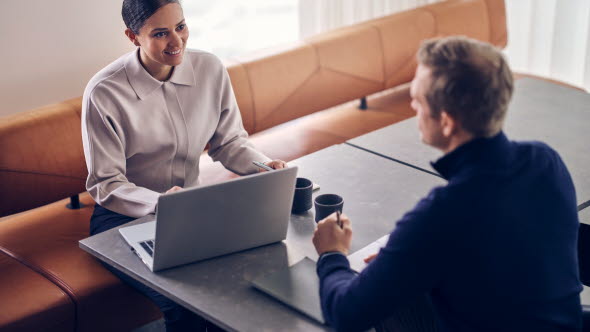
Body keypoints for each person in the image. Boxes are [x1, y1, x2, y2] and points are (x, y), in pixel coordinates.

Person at [312, 36, 582, 332]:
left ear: (448, 122)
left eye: (418, 98)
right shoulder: (545, 162)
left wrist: (332, 253)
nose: (412, 104)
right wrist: (410, 259)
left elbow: (345, 315)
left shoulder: (442, 214)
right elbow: (506, 254)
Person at [81, 0, 286, 330]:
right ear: (133, 37)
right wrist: (160, 203)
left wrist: (267, 167)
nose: (177, 42)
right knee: (185, 304)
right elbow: (105, 184)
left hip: (193, 207)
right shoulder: (104, 92)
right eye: (161, 33)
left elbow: (229, 143)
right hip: (124, 216)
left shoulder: (210, 69)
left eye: (181, 26)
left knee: (239, 286)